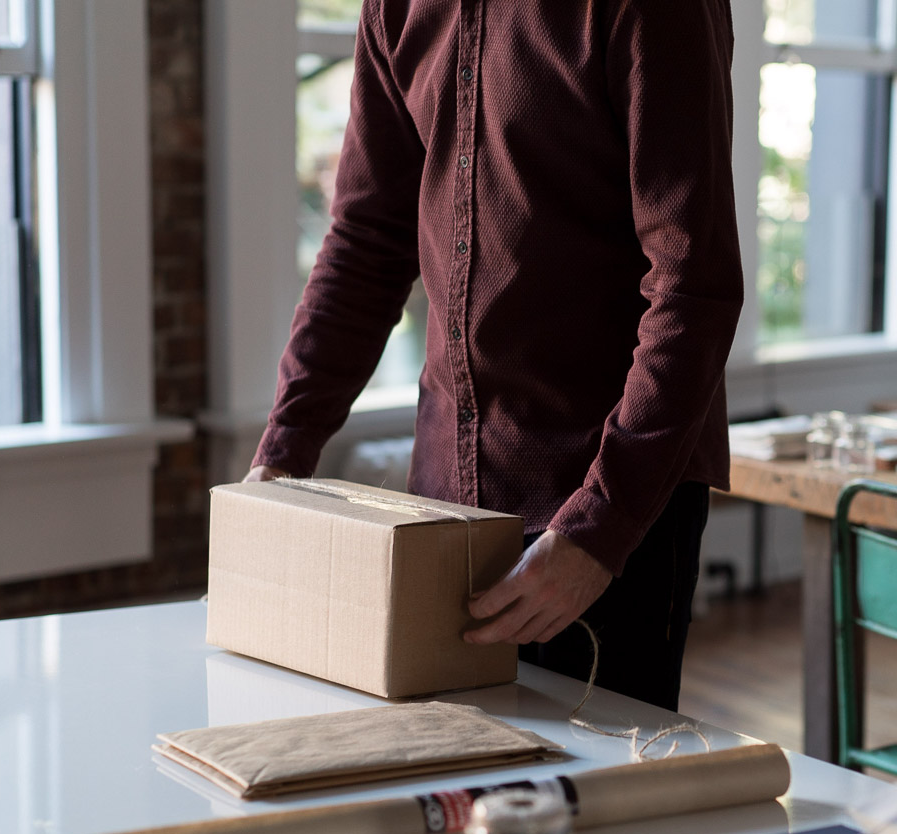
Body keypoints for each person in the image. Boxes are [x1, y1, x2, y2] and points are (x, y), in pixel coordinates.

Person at [246, 0, 743, 711]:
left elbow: (693, 287)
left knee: (593, 808)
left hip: (608, 507)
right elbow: (365, 244)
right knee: (447, 797)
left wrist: (598, 530)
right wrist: (282, 457)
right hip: (442, 510)